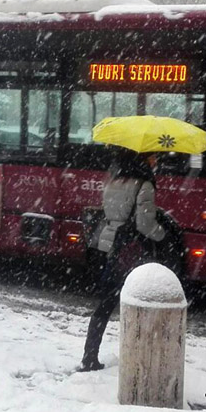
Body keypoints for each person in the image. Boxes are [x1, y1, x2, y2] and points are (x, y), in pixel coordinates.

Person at [79, 147, 178, 372]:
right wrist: (163, 236)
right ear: (142, 159)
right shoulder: (144, 185)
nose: (155, 160)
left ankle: (89, 356)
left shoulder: (114, 182)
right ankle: (141, 361)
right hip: (131, 252)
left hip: (110, 248)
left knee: (105, 305)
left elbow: (111, 215)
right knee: (142, 303)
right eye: (152, 156)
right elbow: (145, 225)